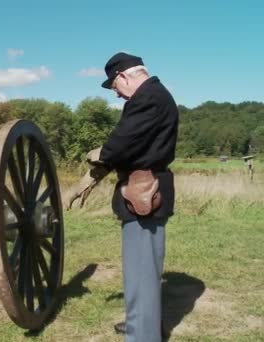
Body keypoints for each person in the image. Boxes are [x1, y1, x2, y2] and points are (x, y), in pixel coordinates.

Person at [91, 52, 178, 341]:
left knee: (141, 274)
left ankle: (143, 335)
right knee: (142, 272)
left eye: (114, 86)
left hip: (144, 190)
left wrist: (101, 155)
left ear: (124, 76)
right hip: (145, 188)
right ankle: (144, 325)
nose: (116, 94)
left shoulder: (148, 98)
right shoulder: (154, 95)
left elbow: (121, 141)